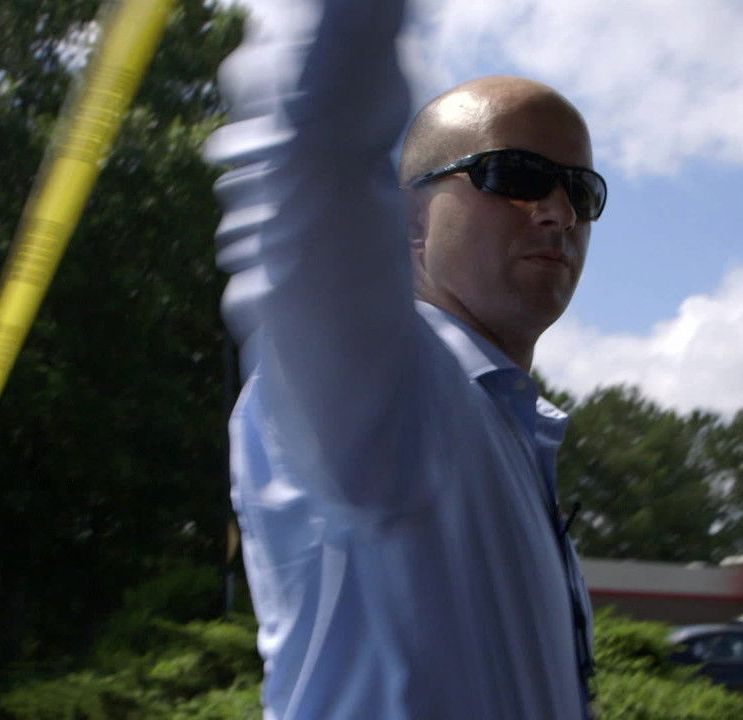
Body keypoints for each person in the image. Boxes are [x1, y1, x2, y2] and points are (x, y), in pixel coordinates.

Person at [208, 1, 607, 717]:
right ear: (411, 220)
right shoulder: (388, 384)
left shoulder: (509, 428)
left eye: (580, 189)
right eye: (514, 175)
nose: (559, 212)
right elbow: (314, 146)